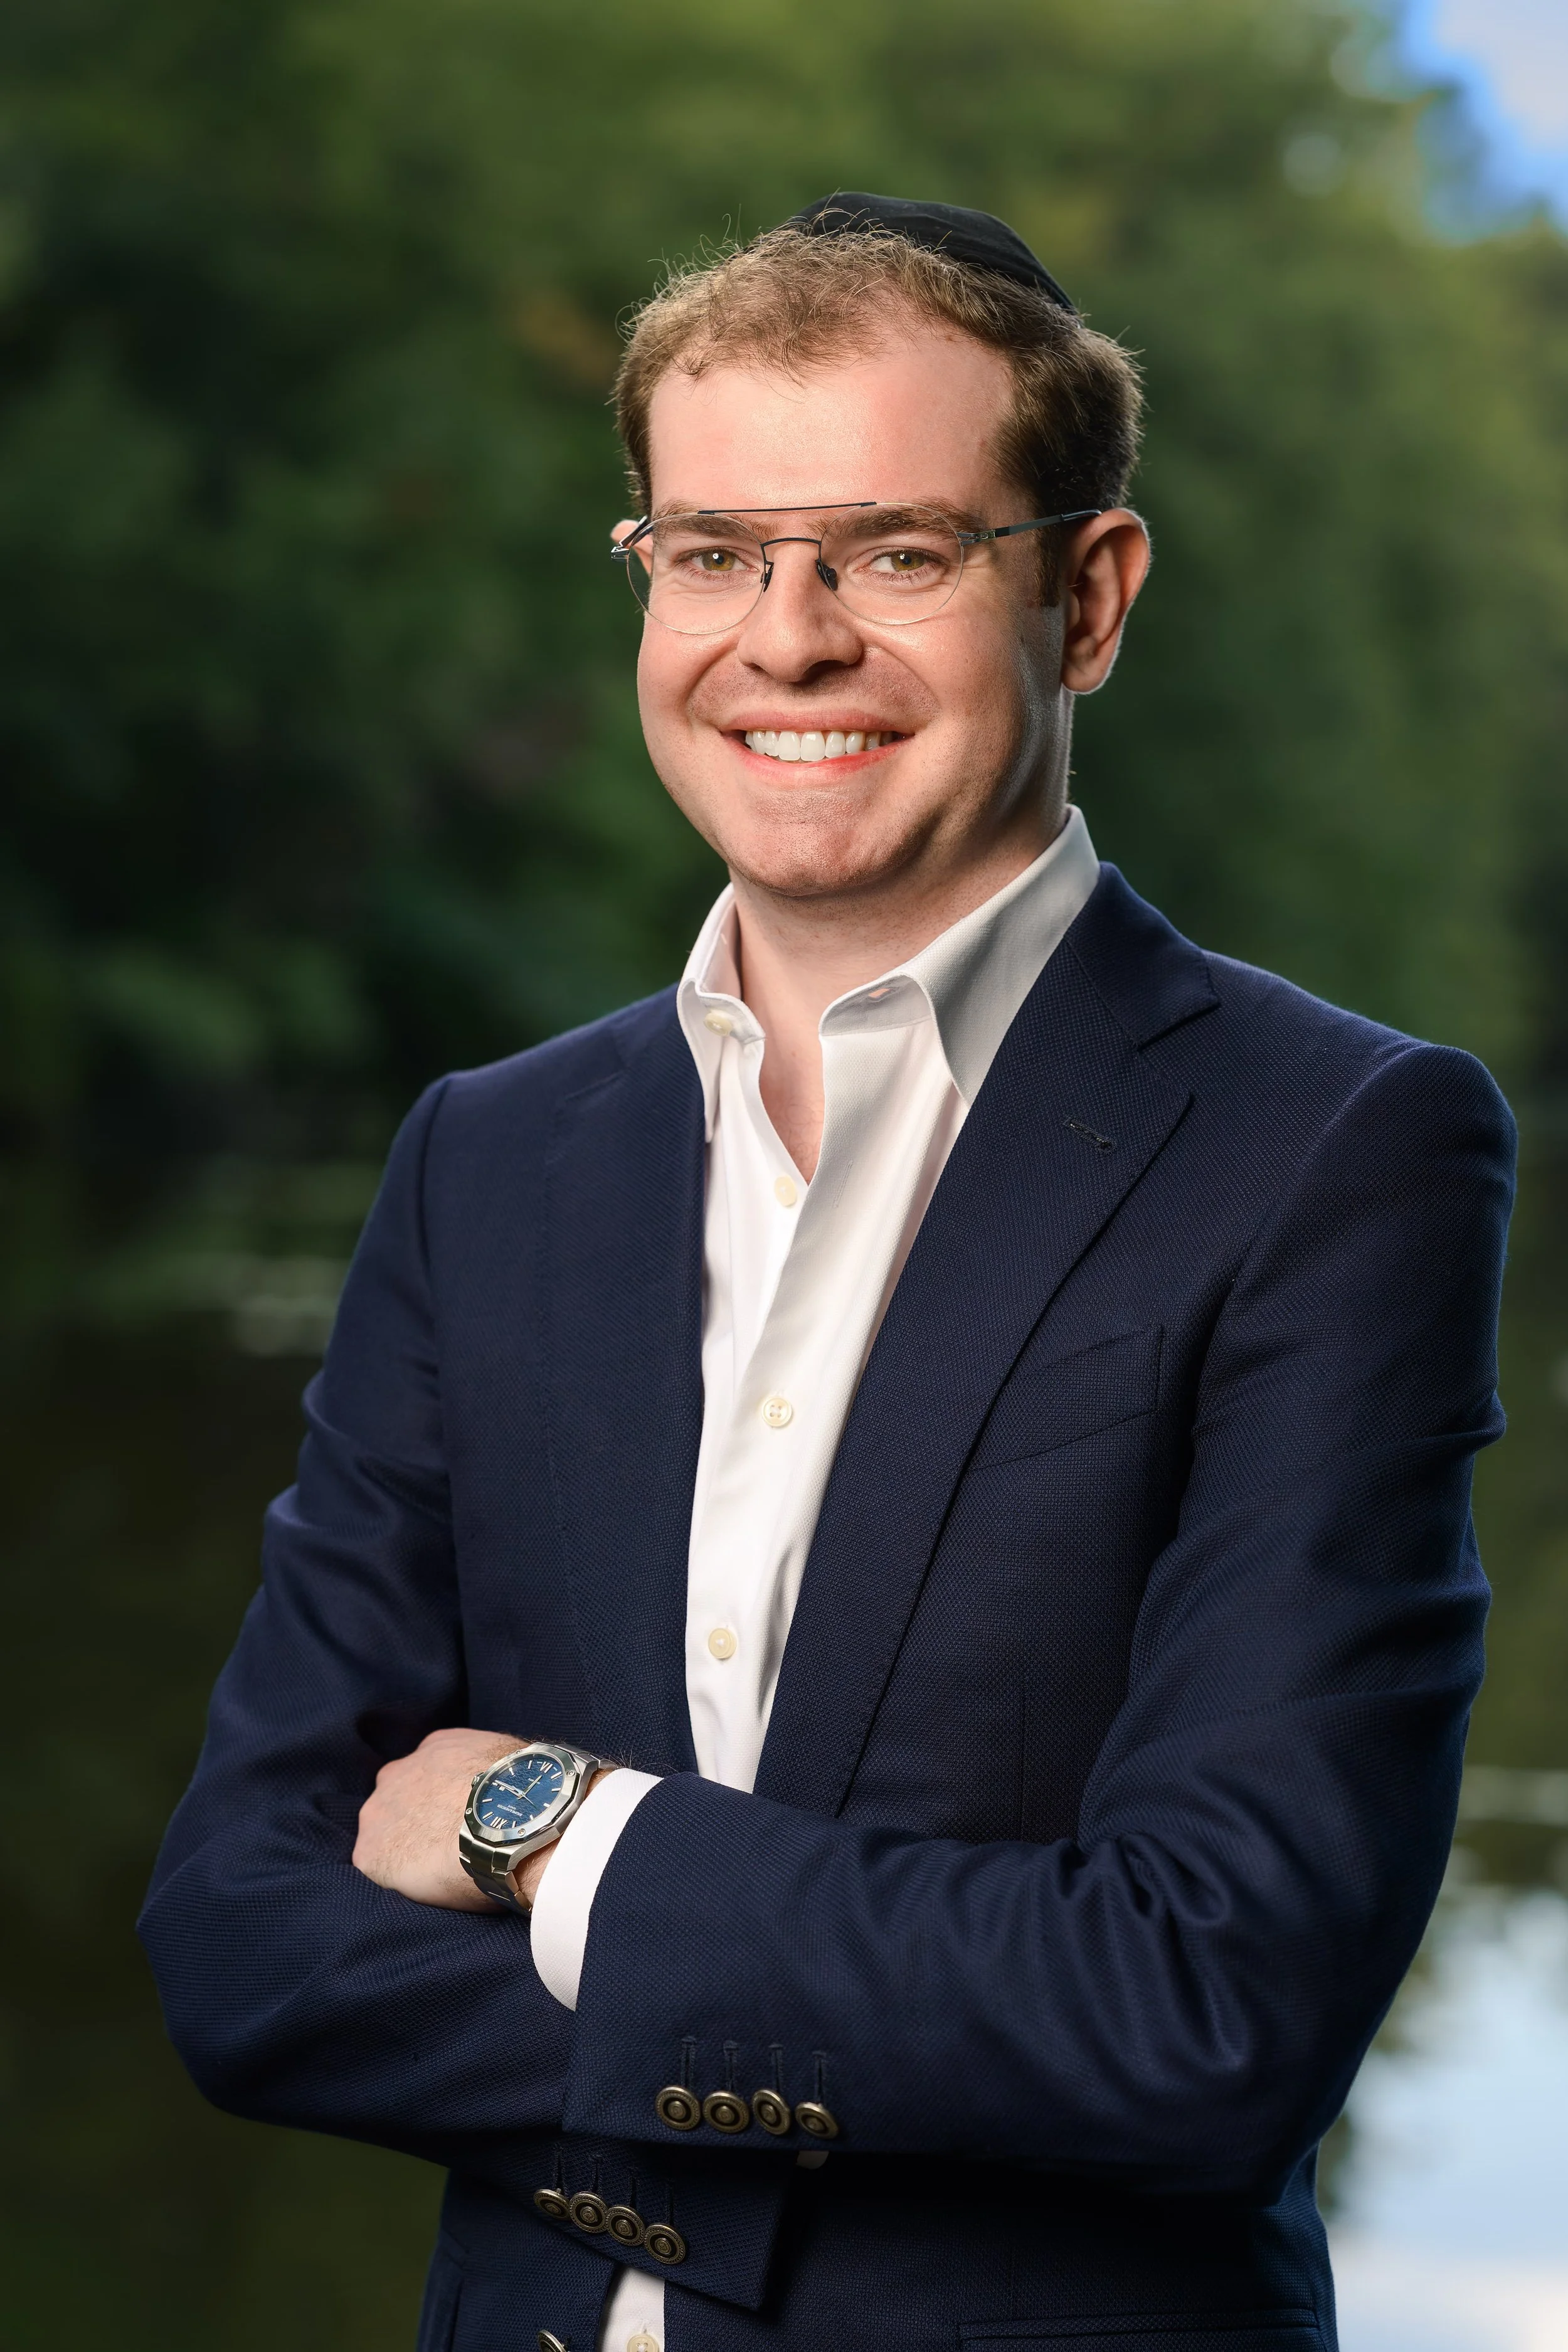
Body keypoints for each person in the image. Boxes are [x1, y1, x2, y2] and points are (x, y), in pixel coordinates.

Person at [140, 193, 1515, 2352]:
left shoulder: (1334, 1150)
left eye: (891, 551)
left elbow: (1203, 2008)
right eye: (708, 551)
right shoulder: (490, 1158)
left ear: (1086, 594)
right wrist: (893, 2032)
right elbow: (243, 1943)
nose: (782, 637)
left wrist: (554, 1830)